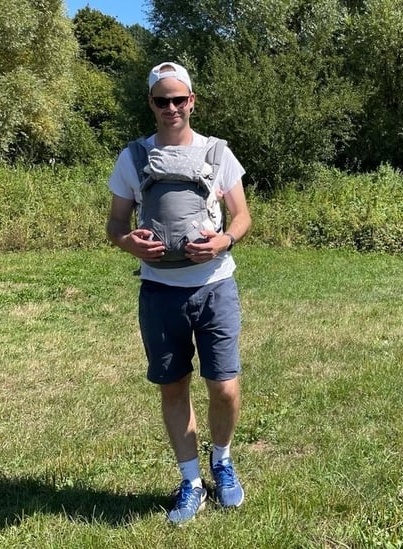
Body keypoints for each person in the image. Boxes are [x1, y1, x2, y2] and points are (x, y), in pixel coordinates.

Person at [106, 62, 252, 524]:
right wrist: (127, 241)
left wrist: (224, 241)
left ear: (192, 101)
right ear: (151, 103)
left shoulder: (218, 152)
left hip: (215, 286)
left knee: (224, 387)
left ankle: (222, 460)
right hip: (159, 290)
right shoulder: (132, 157)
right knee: (173, 387)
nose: (171, 107)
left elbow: (242, 217)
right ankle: (191, 482)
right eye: (161, 100)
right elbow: (115, 224)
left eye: (178, 99)